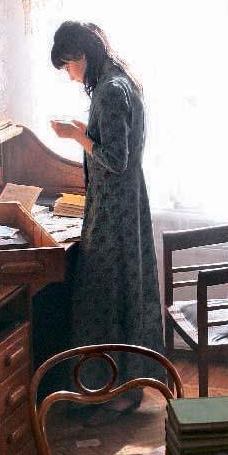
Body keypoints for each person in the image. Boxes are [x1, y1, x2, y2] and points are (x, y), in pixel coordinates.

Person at [50, 21, 165, 421]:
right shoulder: (120, 81)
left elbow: (115, 159)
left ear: (81, 55)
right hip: (125, 205)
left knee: (106, 296)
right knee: (124, 294)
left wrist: (76, 136)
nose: (70, 75)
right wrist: (85, 132)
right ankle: (127, 387)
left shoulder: (111, 91)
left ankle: (116, 393)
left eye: (69, 66)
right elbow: (117, 146)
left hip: (115, 212)